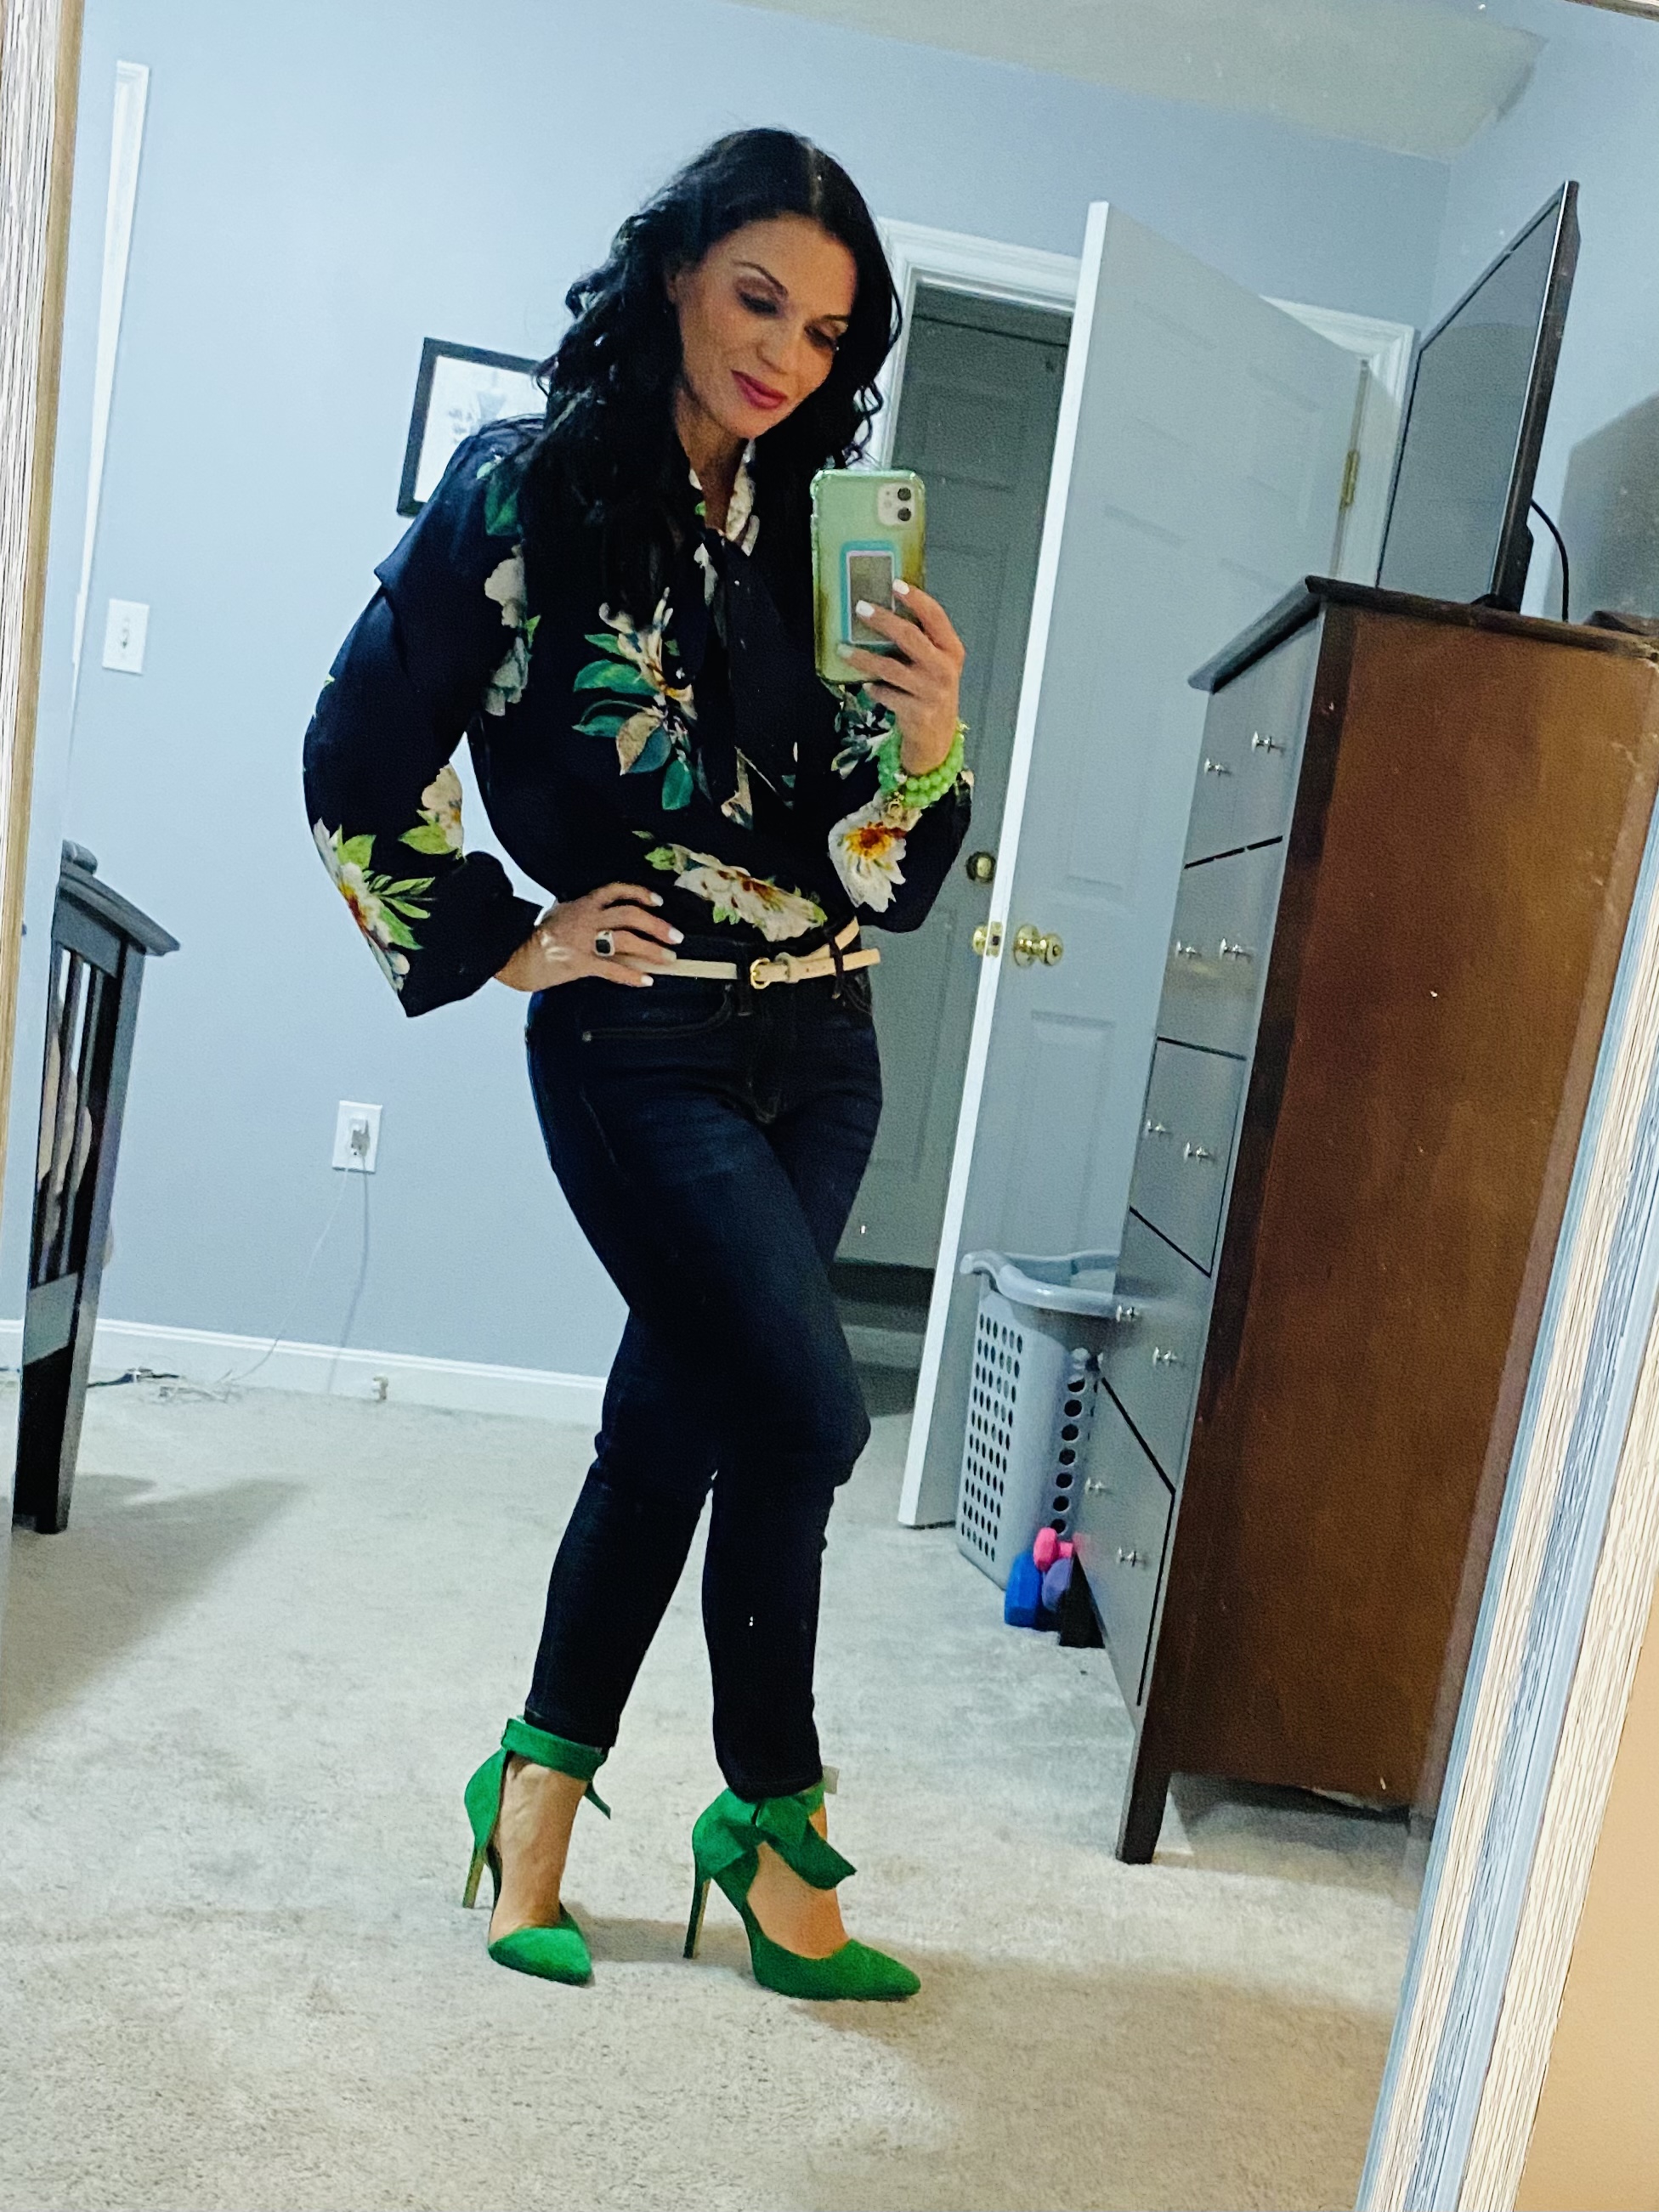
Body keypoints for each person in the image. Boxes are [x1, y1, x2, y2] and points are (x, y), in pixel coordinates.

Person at [303, 128, 969, 2000]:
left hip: (827, 1042)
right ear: (674, 273)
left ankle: (533, 1791)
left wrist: (929, 740)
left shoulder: (825, 537)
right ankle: (773, 1824)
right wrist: (508, 937)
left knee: (676, 1419)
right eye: (757, 299)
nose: (783, 357)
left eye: (825, 333)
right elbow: (356, 752)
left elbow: (886, 871)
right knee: (807, 1418)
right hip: (641, 1036)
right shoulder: (526, 493)